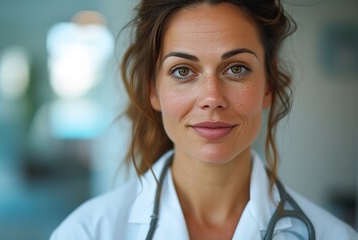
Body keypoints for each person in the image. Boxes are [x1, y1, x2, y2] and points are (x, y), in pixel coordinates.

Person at [50, 0, 358, 239]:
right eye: (183, 71)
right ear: (152, 91)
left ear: (269, 86)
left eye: (236, 68)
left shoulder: (334, 236)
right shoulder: (86, 233)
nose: (212, 97)